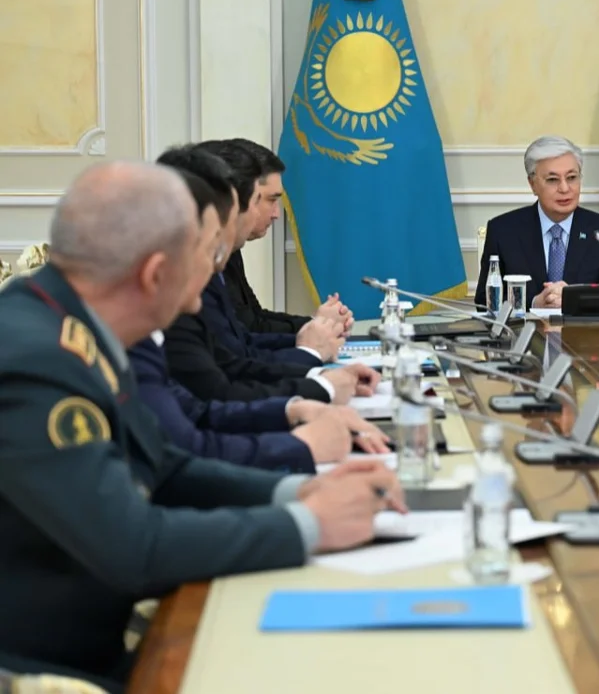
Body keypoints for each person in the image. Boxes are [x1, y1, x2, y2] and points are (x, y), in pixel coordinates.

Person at [0, 161, 403, 690]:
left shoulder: (73, 324)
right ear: (155, 274)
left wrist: (298, 491)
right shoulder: (38, 361)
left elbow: (164, 466)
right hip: (52, 668)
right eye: (208, 255)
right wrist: (308, 525)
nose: (215, 275)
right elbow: (133, 547)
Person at [131, 162, 390, 472]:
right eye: (211, 250)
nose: (216, 267)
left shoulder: (140, 338)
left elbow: (198, 413)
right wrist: (301, 447)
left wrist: (293, 410)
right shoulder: (122, 343)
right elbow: (190, 448)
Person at [159, 146, 377, 403]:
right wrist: (312, 357)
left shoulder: (217, 264)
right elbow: (221, 390)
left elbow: (238, 351)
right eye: (259, 201)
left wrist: (316, 357)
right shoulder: (178, 305)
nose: (271, 214)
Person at [189, 140, 340, 368]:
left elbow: (245, 335)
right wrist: (310, 347)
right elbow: (232, 364)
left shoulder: (227, 252)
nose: (276, 214)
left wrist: (314, 331)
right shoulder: (197, 268)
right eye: (262, 200)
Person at [474, 136, 599, 309]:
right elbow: (484, 301)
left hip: (584, 327)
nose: (564, 188)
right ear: (533, 184)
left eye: (571, 177)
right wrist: (534, 303)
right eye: (553, 180)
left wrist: (574, 301)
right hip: (524, 327)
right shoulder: (503, 231)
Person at [225, 138, 353, 335]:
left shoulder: (232, 249)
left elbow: (254, 318)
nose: (277, 214)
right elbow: (248, 331)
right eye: (270, 200)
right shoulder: (206, 258)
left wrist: (316, 324)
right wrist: (314, 329)